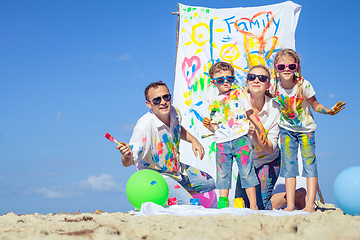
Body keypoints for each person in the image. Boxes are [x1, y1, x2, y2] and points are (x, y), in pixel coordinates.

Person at [272, 48, 345, 212]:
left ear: (296, 67)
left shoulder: (304, 85)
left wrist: (329, 111)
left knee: (309, 165)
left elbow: (315, 104)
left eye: (291, 67)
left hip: (306, 130)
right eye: (281, 67)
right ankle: (290, 205)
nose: (286, 70)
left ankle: (310, 205)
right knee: (289, 167)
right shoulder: (274, 86)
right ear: (276, 68)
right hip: (286, 130)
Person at [117, 81, 215, 200]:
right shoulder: (144, 126)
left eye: (166, 97)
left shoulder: (174, 112)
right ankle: (172, 198)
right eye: (157, 100)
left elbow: (177, 127)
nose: (163, 102)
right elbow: (128, 162)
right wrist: (126, 155)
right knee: (189, 204)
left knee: (209, 183)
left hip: (176, 170)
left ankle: (177, 194)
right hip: (156, 177)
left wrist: (193, 140)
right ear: (149, 104)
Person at [235, 64, 306, 210]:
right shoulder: (237, 104)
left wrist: (255, 133)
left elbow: (270, 149)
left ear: (268, 84)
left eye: (261, 78)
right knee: (241, 205)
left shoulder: (275, 109)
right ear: (247, 83)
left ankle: (297, 194)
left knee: (261, 207)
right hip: (247, 163)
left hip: (268, 161)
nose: (256, 80)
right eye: (252, 77)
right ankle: (292, 194)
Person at [202, 62, 268, 210]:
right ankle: (223, 205)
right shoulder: (213, 103)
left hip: (240, 139)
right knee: (223, 174)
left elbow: (250, 113)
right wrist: (207, 125)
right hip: (222, 142)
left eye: (229, 78)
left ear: (233, 79)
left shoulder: (239, 94)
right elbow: (214, 127)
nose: (225, 82)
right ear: (213, 82)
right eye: (220, 80)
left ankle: (253, 205)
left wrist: (261, 128)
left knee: (247, 171)